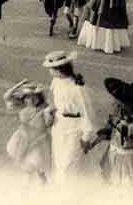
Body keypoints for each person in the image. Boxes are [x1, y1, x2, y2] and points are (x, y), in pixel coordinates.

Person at [42, 50, 98, 184]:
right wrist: (50, 111)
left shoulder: (78, 88)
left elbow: (87, 113)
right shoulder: (56, 82)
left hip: (75, 129)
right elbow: (54, 101)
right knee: (59, 161)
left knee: (69, 164)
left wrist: (86, 136)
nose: (49, 71)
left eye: (51, 68)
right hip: (59, 127)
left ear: (59, 69)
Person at [85, 78, 133, 185]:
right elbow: (107, 132)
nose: (113, 104)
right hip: (114, 156)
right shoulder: (116, 118)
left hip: (127, 161)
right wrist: (92, 144)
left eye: (117, 102)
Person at [3, 80, 53, 185]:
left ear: (39, 97)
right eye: (28, 97)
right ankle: (33, 182)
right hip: (23, 136)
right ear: (25, 97)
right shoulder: (22, 105)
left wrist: (49, 114)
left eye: (34, 96)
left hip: (39, 138)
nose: (31, 99)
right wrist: (20, 84)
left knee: (37, 161)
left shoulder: (44, 107)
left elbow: (49, 124)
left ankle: (42, 180)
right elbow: (7, 96)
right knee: (25, 161)